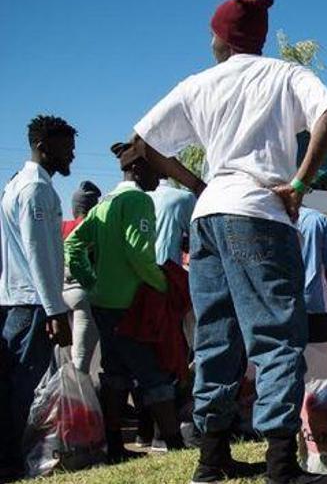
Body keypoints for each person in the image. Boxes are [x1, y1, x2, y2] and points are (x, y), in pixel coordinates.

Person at [129, 0, 327, 482]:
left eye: (212, 34)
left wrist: (200, 186)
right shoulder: (285, 75)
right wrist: (298, 185)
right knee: (275, 337)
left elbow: (143, 144)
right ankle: (279, 465)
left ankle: (211, 461)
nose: (210, 41)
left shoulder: (198, 84)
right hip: (259, 214)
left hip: (207, 219)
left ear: (223, 37)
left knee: (215, 339)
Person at [65, 142, 186, 462]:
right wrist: (162, 284)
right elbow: (138, 252)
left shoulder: (106, 202)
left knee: (115, 374)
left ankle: (114, 445)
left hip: (104, 302)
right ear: (137, 169)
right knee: (155, 373)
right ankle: (173, 443)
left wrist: (92, 282)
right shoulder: (136, 200)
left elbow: (74, 244)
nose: (159, 180)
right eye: (156, 172)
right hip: (132, 305)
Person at [0, 115, 74, 478]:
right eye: (66, 147)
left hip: (20, 300)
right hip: (32, 303)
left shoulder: (15, 183)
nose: (72, 154)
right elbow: (38, 254)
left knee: (15, 385)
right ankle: (9, 461)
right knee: (20, 388)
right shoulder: (36, 190)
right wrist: (55, 311)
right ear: (43, 146)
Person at [62, 181, 103, 374]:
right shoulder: (94, 229)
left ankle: (62, 397)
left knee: (60, 356)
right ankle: (78, 399)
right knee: (80, 361)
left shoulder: (61, 227)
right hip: (82, 295)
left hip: (59, 294)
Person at [297, 206, 327, 343]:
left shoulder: (269, 217)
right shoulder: (318, 219)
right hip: (312, 303)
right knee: (317, 358)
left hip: (276, 303)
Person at [151, 175, 197, 266]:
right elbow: (199, 238)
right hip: (168, 271)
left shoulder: (134, 197)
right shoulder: (184, 197)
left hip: (137, 271)